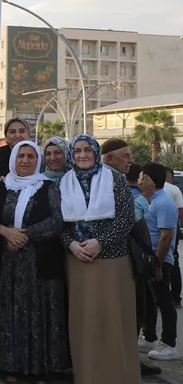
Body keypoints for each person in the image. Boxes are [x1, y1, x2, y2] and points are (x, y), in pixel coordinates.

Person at [60, 134, 139, 384]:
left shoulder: (114, 179)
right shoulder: (64, 182)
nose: (82, 155)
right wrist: (72, 245)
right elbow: (57, 223)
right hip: (77, 261)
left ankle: (119, 377)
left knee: (114, 321)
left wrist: (100, 242)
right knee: (85, 325)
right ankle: (88, 377)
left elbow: (126, 218)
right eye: (78, 150)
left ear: (96, 152)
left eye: (88, 150)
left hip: (112, 261)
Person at [0, 141, 69, 384]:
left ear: (38, 161)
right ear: (13, 158)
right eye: (21, 156)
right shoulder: (2, 187)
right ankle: (10, 365)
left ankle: (41, 368)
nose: (25, 160)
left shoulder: (48, 187)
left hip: (39, 262)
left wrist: (24, 235)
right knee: (9, 312)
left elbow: (58, 219)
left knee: (39, 314)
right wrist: (5, 232)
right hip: (7, 262)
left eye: (31, 157)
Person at [101, 138, 161, 377]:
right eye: (125, 156)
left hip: (129, 255)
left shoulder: (115, 181)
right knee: (130, 309)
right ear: (109, 159)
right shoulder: (105, 181)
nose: (131, 160)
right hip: (117, 257)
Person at [137, 163, 180, 360]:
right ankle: (150, 337)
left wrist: (158, 263)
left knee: (164, 302)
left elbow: (166, 237)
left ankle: (169, 344)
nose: (138, 180)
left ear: (151, 181)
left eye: (141, 177)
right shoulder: (149, 200)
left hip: (160, 262)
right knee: (149, 300)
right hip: (149, 260)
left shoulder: (164, 202)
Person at [163, 167, 183, 307]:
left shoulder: (149, 189)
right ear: (169, 177)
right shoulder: (174, 189)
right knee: (173, 259)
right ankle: (176, 298)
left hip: (154, 228)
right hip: (172, 226)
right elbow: (180, 212)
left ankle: (160, 298)